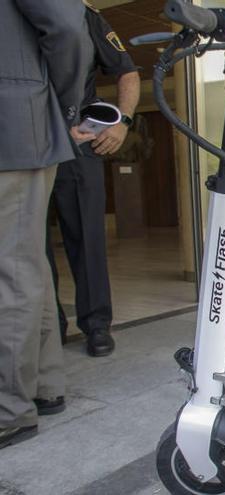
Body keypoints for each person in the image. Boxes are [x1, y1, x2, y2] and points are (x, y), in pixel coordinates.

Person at [1, 0, 93, 449]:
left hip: (14, 125)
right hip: (20, 124)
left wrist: (66, 107)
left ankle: (8, 408)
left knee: (11, 271)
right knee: (22, 263)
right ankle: (42, 385)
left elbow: (66, 26)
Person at [47, 1, 141, 357]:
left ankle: (96, 324)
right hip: (24, 143)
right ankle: (47, 327)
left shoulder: (84, 16)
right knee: (29, 247)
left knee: (87, 236)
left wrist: (123, 122)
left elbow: (127, 71)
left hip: (78, 143)